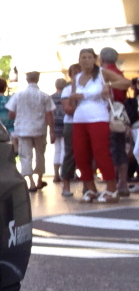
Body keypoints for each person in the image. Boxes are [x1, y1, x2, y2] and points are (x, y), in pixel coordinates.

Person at [64, 48, 130, 202]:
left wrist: (110, 85)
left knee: (101, 152)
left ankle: (111, 189)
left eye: (88, 57)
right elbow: (72, 103)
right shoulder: (77, 77)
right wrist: (73, 97)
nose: (86, 60)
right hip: (79, 118)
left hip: (98, 117)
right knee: (80, 154)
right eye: (83, 57)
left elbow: (126, 82)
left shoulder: (102, 73)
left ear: (94, 59)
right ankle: (90, 188)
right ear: (79, 60)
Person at [7, 71, 55, 191]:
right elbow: (49, 114)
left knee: (25, 156)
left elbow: (11, 114)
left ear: (27, 80)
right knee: (40, 155)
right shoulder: (44, 96)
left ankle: (31, 182)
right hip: (40, 129)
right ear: (38, 79)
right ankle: (39, 180)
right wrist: (52, 131)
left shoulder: (18, 95)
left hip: (23, 129)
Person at [99, 47, 133, 198]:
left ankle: (112, 183)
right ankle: (123, 183)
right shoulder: (119, 73)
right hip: (120, 113)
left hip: (108, 113)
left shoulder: (104, 74)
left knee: (110, 149)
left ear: (101, 59)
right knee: (120, 148)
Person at [59, 64, 81, 196]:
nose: (77, 75)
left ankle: (88, 186)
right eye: (75, 73)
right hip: (71, 124)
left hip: (87, 122)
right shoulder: (67, 90)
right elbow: (68, 109)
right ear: (70, 75)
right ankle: (66, 184)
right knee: (70, 153)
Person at [51, 77, 67, 182]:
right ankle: (64, 174)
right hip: (66, 124)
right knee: (65, 149)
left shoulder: (51, 97)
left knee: (57, 150)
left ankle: (56, 174)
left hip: (55, 125)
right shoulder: (67, 96)